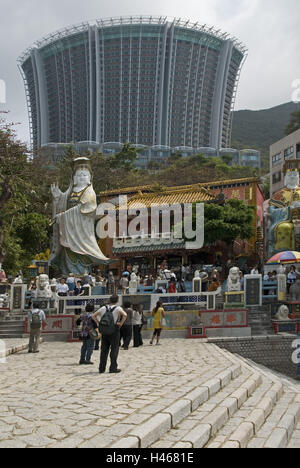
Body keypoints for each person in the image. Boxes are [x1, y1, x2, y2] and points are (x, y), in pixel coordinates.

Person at [93, 295, 127, 374]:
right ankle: (113, 368)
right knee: (114, 349)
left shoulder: (103, 308)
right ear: (117, 301)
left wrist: (99, 323)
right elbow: (125, 315)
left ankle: (101, 368)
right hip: (114, 330)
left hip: (104, 330)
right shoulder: (118, 308)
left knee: (104, 350)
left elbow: (93, 316)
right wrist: (120, 323)